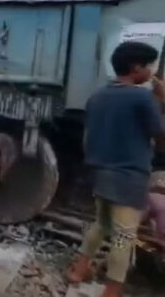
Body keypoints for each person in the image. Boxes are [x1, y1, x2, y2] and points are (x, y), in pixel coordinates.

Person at [67, 41, 165, 297]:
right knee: (124, 236)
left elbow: (90, 136)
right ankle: (112, 291)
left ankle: (78, 271)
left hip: (101, 171)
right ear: (136, 68)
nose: (153, 71)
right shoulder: (143, 97)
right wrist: (162, 101)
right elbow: (161, 135)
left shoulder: (97, 95)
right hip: (129, 176)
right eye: (150, 66)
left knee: (101, 224)